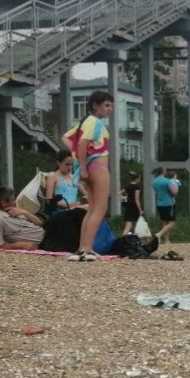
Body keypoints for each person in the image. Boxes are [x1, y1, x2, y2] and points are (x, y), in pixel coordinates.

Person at [62, 90, 112, 261]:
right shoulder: (95, 123)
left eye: (111, 105)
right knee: (100, 208)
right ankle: (87, 248)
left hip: (90, 166)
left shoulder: (85, 122)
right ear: (95, 106)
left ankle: (83, 248)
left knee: (92, 208)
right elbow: (82, 143)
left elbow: (66, 138)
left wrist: (79, 158)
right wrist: (82, 164)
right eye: (106, 105)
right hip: (98, 166)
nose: (110, 109)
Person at [42, 149, 80, 215]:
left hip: (75, 209)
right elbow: (49, 200)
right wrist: (67, 205)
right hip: (61, 211)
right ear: (58, 162)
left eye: (72, 165)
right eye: (67, 164)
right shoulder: (53, 176)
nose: (70, 167)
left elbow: (86, 194)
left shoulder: (74, 177)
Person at [153, 167, 180, 245]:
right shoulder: (167, 181)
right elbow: (174, 192)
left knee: (165, 221)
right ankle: (159, 234)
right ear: (163, 172)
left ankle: (167, 240)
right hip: (168, 203)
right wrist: (177, 187)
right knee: (172, 223)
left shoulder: (155, 182)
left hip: (159, 203)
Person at [120, 171, 143, 235]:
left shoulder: (127, 186)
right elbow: (137, 200)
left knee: (128, 223)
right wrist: (140, 209)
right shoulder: (136, 188)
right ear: (136, 179)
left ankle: (126, 236)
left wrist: (124, 200)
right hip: (134, 206)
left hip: (128, 206)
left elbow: (119, 193)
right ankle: (124, 238)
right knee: (130, 224)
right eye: (139, 178)